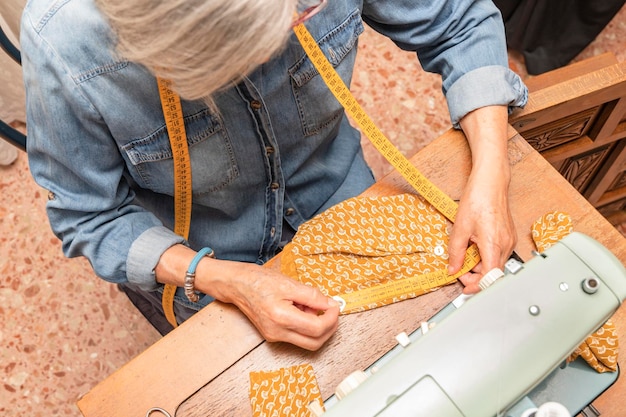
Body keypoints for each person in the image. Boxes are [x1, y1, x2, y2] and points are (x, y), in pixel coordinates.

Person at [21, 0, 527, 350]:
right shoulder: (67, 38)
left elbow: (458, 22)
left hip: (338, 192)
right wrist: (219, 278)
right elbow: (90, 215)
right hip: (202, 251)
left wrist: (490, 172)